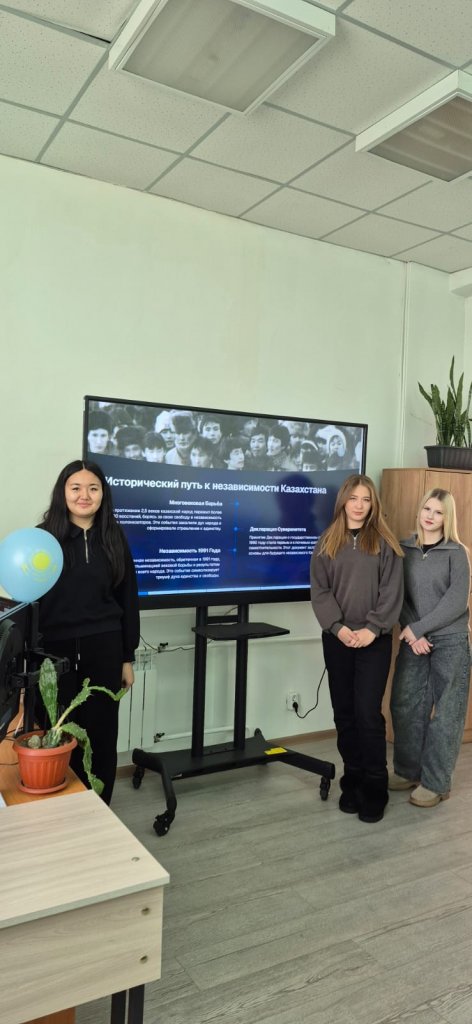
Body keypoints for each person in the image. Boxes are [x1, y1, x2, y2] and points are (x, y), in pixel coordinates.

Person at [37, 460, 140, 805]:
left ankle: (100, 807)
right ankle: (61, 809)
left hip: (105, 648)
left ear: (103, 494)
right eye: (76, 488)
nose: (85, 495)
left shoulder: (114, 537)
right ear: (63, 493)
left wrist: (127, 657)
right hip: (54, 652)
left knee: (101, 732)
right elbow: (30, 602)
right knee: (56, 731)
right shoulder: (43, 538)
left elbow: (128, 598)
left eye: (93, 488)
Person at [311, 474, 404, 823]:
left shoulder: (385, 543)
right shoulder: (327, 542)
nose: (360, 505)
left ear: (373, 504)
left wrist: (372, 629)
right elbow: (320, 591)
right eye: (354, 498)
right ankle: (352, 779)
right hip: (338, 639)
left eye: (366, 499)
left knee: (367, 713)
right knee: (345, 713)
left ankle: (375, 786)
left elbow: (392, 592)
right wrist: (338, 628)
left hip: (373, 642)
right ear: (343, 502)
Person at [389, 488, 471, 808]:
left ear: (447, 518)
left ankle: (436, 783)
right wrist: (413, 633)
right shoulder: (404, 549)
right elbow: (397, 595)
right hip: (414, 639)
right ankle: (408, 771)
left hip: (450, 640)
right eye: (427, 509)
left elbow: (456, 601)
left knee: (447, 714)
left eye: (438, 512)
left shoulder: (457, 552)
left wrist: (418, 628)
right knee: (405, 704)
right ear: (420, 510)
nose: (430, 516)